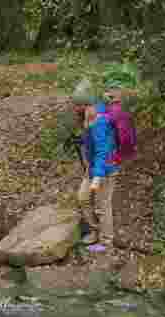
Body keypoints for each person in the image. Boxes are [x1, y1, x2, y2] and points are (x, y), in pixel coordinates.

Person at [73, 83, 119, 246]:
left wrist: (97, 176)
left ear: (86, 105)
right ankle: (95, 231)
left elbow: (102, 151)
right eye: (75, 104)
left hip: (105, 170)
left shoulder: (99, 121)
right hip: (93, 168)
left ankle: (106, 241)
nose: (75, 108)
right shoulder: (90, 115)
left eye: (78, 105)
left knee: (102, 206)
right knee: (83, 198)